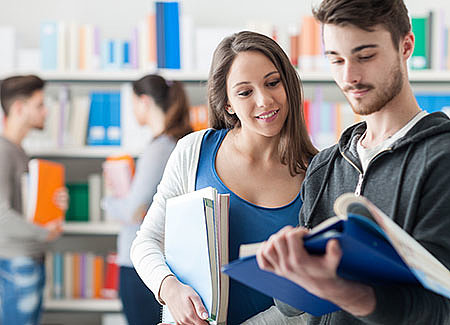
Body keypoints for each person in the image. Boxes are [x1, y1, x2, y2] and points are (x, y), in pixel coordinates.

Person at [256, 0, 450, 324]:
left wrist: (343, 290)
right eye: (336, 59)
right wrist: (286, 268)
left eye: (365, 56)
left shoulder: (441, 159)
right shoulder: (324, 167)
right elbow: (293, 306)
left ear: (406, 45)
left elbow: (440, 310)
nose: (349, 76)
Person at [130, 31, 317, 325]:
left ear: (289, 84)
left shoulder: (318, 173)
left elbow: (312, 294)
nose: (264, 100)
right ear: (227, 103)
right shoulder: (194, 151)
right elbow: (147, 241)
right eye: (245, 92)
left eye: (272, 83)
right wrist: (170, 289)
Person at [102, 74, 192, 325]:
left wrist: (108, 200)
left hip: (141, 264)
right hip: (161, 261)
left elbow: (133, 210)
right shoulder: (176, 143)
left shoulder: (160, 148)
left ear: (143, 101)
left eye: (132, 102)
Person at [0, 75, 67, 325]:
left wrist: (54, 204)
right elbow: (2, 215)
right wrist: (44, 233)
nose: (46, 111)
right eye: (39, 105)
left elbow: (25, 208)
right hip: (16, 262)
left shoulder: (18, 151)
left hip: (26, 260)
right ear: (19, 108)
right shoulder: (3, 152)